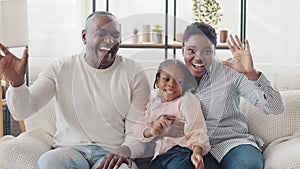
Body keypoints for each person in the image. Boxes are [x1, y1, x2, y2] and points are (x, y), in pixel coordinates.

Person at [0, 11, 151, 169]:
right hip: (68, 150)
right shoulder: (60, 68)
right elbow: (23, 111)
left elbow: (138, 129)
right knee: (48, 162)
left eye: (115, 35)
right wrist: (17, 83)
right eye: (102, 33)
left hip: (112, 152)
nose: (109, 40)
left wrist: (126, 149)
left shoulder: (135, 73)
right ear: (84, 37)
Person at [181, 22, 285, 169]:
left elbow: (276, 108)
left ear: (214, 51)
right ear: (182, 50)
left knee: (247, 166)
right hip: (194, 147)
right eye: (191, 50)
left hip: (233, 142)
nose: (198, 58)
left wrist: (252, 74)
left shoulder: (231, 71)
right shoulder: (171, 77)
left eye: (206, 51)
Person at [132, 59, 210, 169]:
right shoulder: (153, 105)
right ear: (157, 82)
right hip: (159, 155)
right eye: (166, 79)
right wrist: (152, 131)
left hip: (181, 152)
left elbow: (197, 131)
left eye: (178, 81)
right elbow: (137, 129)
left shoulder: (187, 100)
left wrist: (197, 152)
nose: (171, 84)